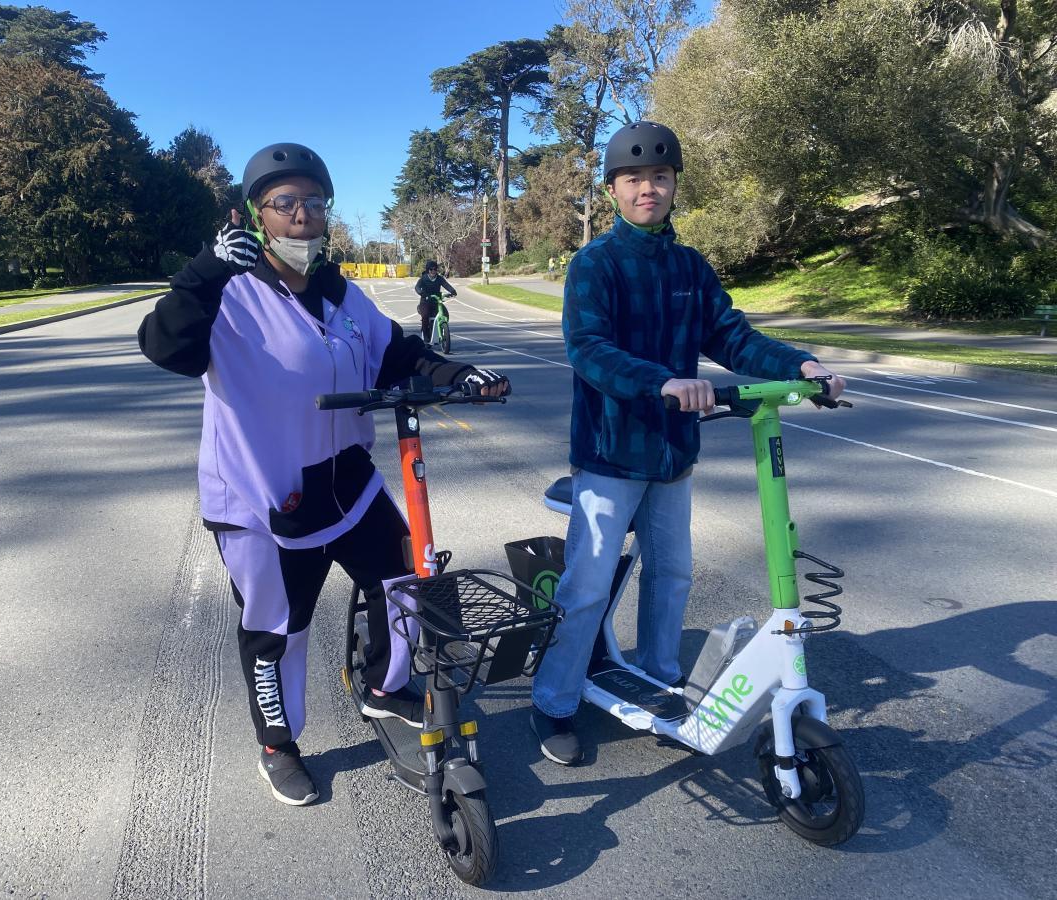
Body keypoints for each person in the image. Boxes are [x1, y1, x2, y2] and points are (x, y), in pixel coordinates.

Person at [137, 142, 510, 805]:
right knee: (279, 629)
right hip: (262, 497)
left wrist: (458, 374)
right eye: (285, 204)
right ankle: (278, 745)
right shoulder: (228, 293)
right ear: (254, 216)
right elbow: (164, 346)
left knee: (403, 581)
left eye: (313, 202)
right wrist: (202, 273)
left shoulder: (343, 293)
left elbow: (397, 354)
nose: (302, 215)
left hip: (346, 480)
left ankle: (384, 686)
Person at [530, 122, 847, 766]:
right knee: (587, 586)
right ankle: (555, 699)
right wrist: (663, 382)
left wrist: (801, 367)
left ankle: (657, 674)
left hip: (673, 454)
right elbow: (588, 350)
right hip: (611, 453)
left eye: (660, 178)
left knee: (671, 574)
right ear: (614, 189)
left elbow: (732, 337)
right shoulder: (596, 264)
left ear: (674, 185)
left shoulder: (687, 266)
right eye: (633, 179)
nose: (648, 189)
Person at [414, 260, 456, 344]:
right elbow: (417, 287)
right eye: (431, 269)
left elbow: (446, 285)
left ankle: (442, 330)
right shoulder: (424, 278)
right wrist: (422, 293)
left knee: (445, 314)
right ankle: (426, 336)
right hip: (425, 301)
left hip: (436, 301)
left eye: (435, 269)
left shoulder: (439, 278)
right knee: (425, 316)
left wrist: (452, 291)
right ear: (427, 270)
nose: (433, 271)